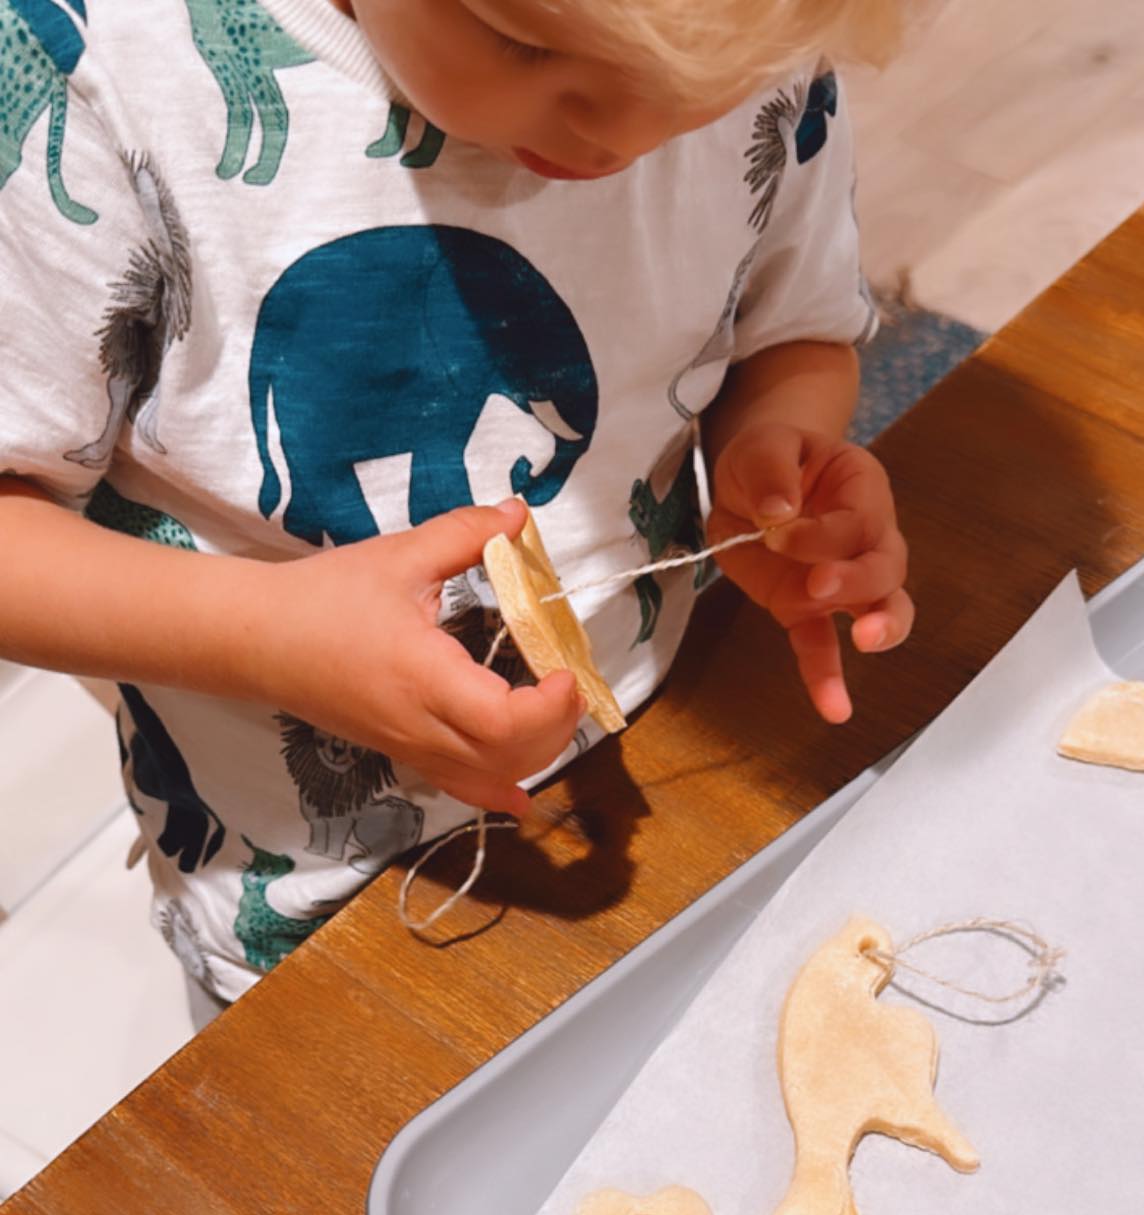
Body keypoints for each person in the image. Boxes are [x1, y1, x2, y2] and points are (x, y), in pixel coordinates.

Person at [0, 0, 911, 1017]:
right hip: (310, 902)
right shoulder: (104, 84)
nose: (618, 132)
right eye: (528, 46)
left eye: (700, 97)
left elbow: (793, 329)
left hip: (672, 751)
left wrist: (774, 449)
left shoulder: (755, 37)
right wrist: (267, 635)